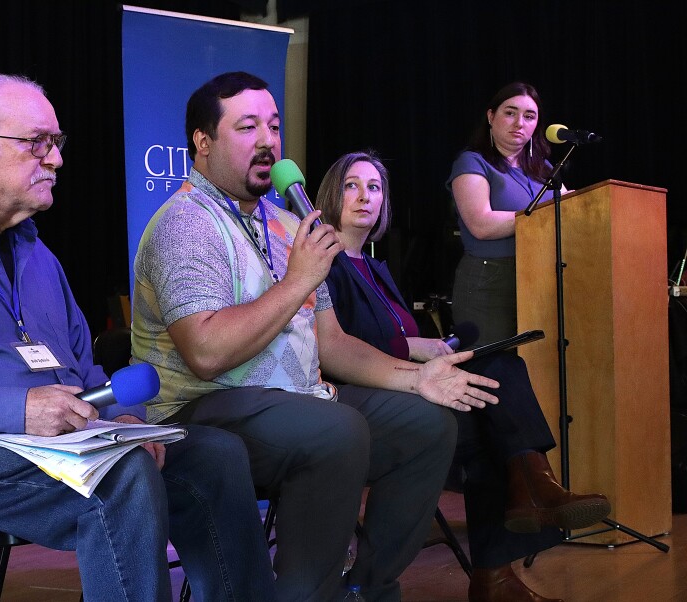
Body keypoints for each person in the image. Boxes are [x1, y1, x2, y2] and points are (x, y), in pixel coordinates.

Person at [0, 74, 278, 602]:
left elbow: (82, 372)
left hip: (61, 444)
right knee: (120, 477)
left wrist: (121, 423)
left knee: (215, 456)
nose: (56, 159)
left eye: (57, 143)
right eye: (37, 143)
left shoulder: (39, 258)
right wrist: (16, 411)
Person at [131, 71, 502, 602]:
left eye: (275, 126)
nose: (268, 141)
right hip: (200, 408)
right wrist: (299, 280)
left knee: (426, 422)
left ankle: (367, 589)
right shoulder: (184, 224)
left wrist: (419, 378)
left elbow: (332, 344)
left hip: (300, 401)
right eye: (248, 127)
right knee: (336, 430)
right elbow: (206, 353)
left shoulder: (287, 225)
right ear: (203, 142)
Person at [316, 150, 612, 602]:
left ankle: (525, 489)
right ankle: (528, 497)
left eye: (374, 187)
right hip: (364, 394)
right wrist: (417, 348)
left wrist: (437, 349)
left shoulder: (375, 267)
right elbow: (335, 344)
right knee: (487, 405)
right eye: (352, 185)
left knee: (498, 369)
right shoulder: (323, 262)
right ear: (331, 194)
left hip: (412, 380)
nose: (364, 196)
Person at [447, 82, 568, 347]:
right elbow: (481, 224)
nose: (519, 123)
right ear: (491, 117)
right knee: (495, 371)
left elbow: (571, 211)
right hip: (489, 281)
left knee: (536, 371)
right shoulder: (472, 162)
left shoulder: (544, 167)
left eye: (529, 116)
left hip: (541, 278)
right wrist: (541, 217)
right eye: (510, 113)